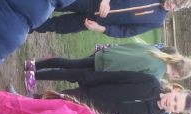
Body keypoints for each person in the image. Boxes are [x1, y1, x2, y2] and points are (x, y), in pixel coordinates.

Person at [35, 70, 191, 114]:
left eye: (175, 106)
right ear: (176, 91)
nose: (171, 103)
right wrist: (92, 80)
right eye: (175, 99)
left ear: (175, 112)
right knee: (55, 100)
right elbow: (119, 76)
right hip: (90, 94)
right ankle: (27, 101)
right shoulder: (150, 82)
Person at [32, 0, 191, 38]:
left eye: (177, 7)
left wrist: (101, 29)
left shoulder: (158, 21)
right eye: (174, 0)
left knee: (57, 26)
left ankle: (30, 27)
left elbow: (127, 31)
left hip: (94, 22)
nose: (172, 6)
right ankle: (26, 7)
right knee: (56, 2)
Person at [24, 43, 191, 92]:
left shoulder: (156, 51)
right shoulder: (155, 75)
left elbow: (130, 46)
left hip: (107, 55)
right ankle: (34, 76)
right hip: (107, 69)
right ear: (177, 76)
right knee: (70, 74)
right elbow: (128, 76)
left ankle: (34, 65)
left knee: (70, 63)